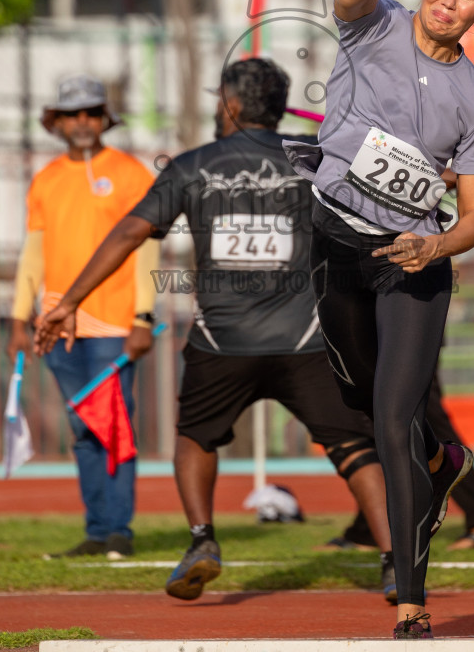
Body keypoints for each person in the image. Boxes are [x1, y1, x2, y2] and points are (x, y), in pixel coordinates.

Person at [35, 58, 395, 603]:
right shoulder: (316, 154)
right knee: (352, 445)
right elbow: (401, 183)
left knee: (195, 439)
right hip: (306, 340)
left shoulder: (192, 165)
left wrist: (69, 301)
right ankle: (397, 563)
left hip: (223, 343)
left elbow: (131, 231)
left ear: (230, 104)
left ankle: (203, 540)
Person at [284, 0, 474, 639]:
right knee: (356, 393)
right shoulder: (371, 25)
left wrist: (432, 245)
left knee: (389, 417)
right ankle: (443, 462)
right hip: (335, 242)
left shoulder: (473, 97)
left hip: (412, 262)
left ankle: (410, 598)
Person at [330, 156, 474, 554]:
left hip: (409, 293)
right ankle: (370, 525)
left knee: (414, 413)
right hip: (374, 291)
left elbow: (406, 177)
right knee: (386, 410)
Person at [7, 75, 159, 559]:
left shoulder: (132, 173)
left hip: (115, 322)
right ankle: (97, 532)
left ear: (104, 119)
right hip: (59, 326)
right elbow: (34, 253)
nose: (83, 122)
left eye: (92, 113)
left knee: (113, 425)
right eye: (72, 114)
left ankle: (120, 531)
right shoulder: (46, 179)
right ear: (56, 121)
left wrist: (143, 315)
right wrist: (18, 314)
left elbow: (147, 250)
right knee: (83, 430)